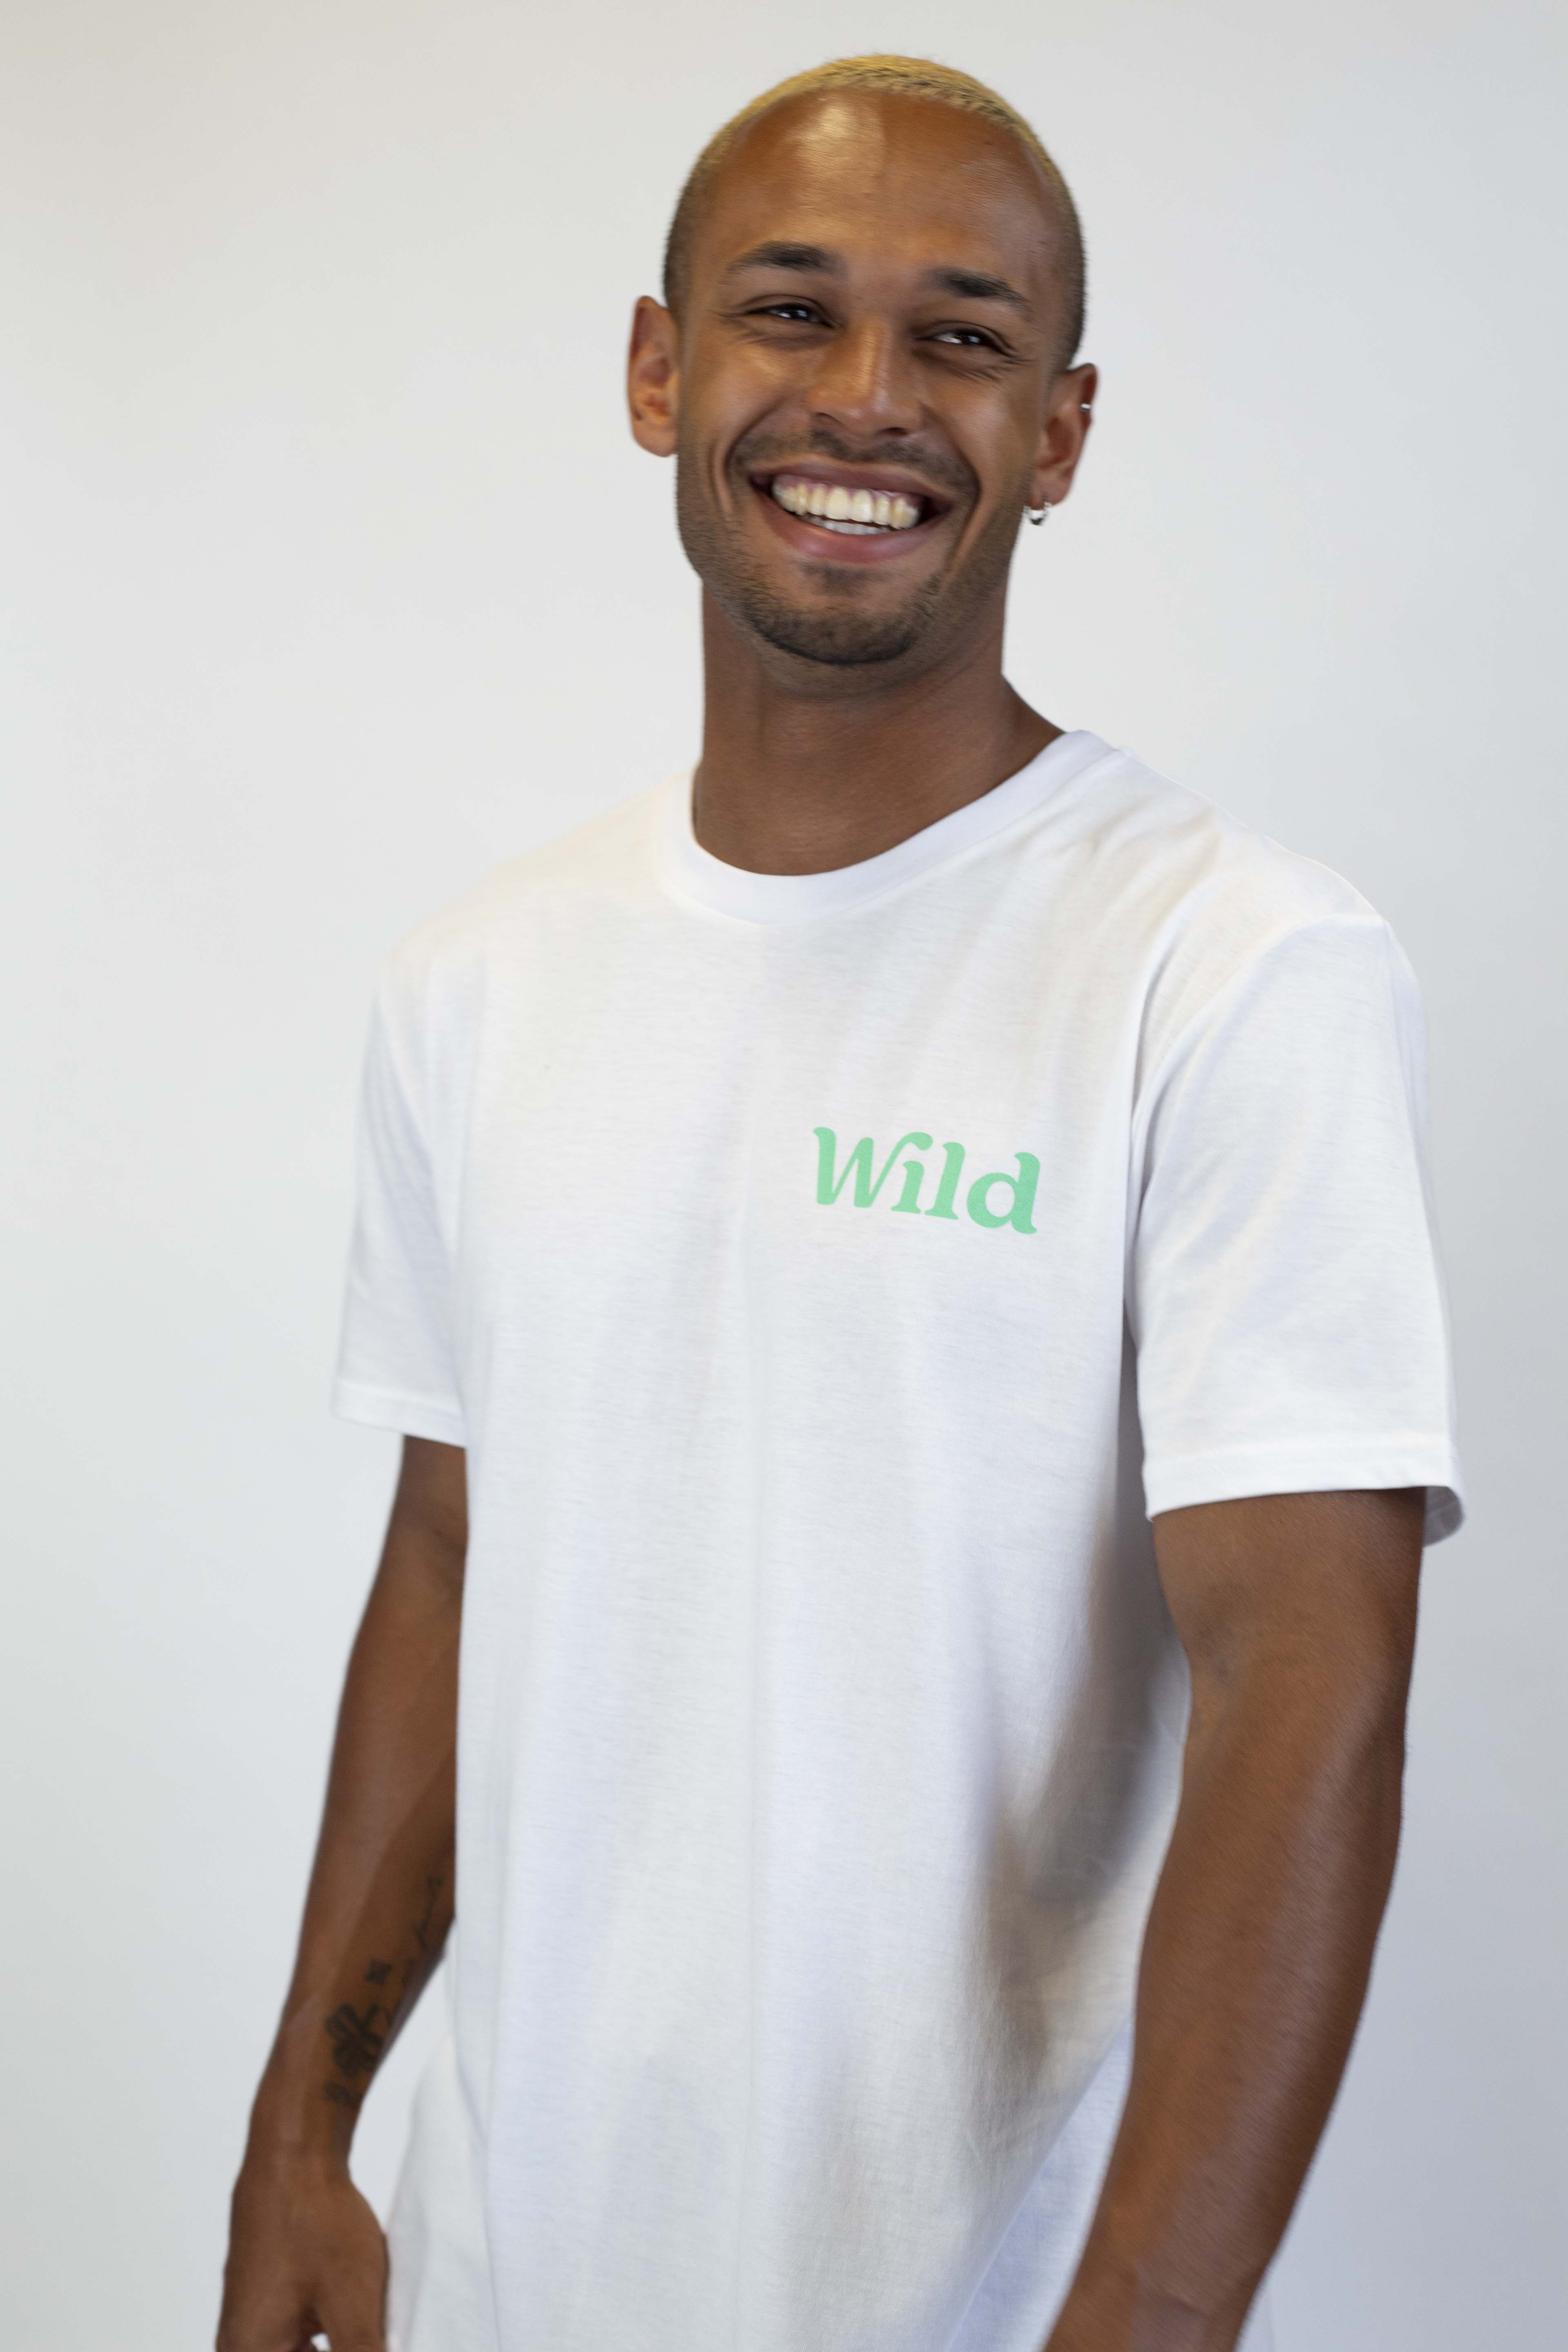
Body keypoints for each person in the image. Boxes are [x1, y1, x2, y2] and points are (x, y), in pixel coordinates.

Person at [218, 54, 1462, 2352]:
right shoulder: (481, 984)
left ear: (1060, 437)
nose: (868, 399)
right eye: (792, 313)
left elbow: (1313, 1683)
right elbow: (454, 1551)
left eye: (964, 337)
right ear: (656, 369)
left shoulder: (1230, 964)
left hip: (990, 2302)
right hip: (519, 2275)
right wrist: (303, 2135)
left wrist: (1146, 2326)